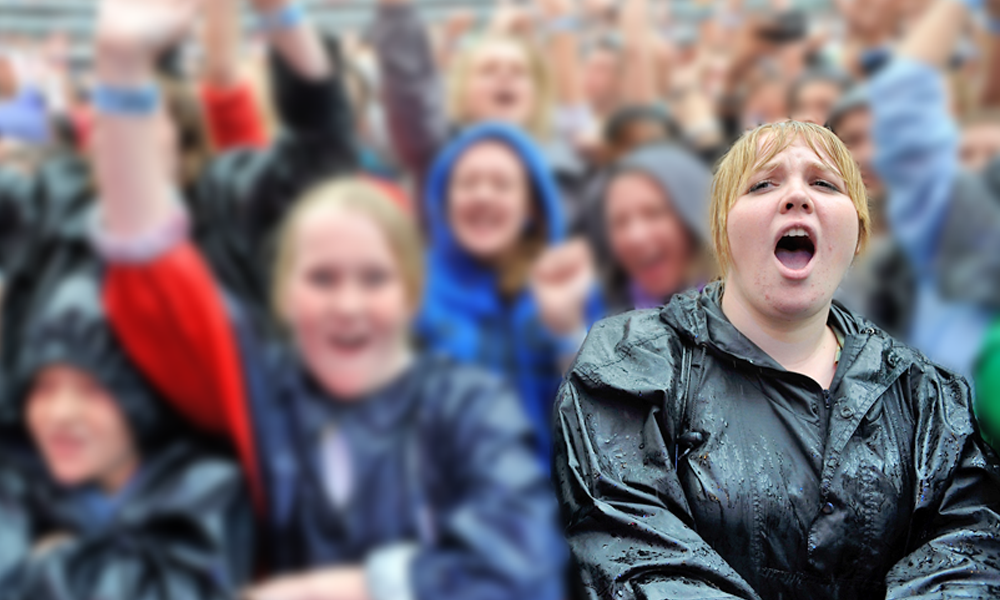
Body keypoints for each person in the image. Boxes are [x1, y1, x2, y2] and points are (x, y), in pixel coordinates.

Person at [86, 3, 568, 599]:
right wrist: (123, 65)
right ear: (283, 295)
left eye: (373, 279)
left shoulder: (469, 408)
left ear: (410, 293)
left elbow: (522, 569)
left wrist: (345, 588)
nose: (348, 303)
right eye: (321, 279)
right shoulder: (262, 390)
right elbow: (149, 267)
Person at [554, 120, 1000, 599]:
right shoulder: (630, 362)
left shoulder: (925, 393)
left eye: (824, 183)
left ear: (857, 232)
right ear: (722, 230)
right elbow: (634, 550)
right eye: (762, 184)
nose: (796, 197)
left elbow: (968, 549)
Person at [0, 269, 252, 600]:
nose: (60, 414)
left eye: (92, 389)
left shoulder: (206, 487)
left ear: (140, 400)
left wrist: (49, 560)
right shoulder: (18, 486)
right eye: (43, 388)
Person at [417, 122, 600, 466]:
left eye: (502, 185)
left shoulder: (569, 284)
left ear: (531, 206)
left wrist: (566, 332)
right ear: (444, 200)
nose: (483, 195)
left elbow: (603, 435)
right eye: (468, 183)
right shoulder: (410, 288)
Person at [594, 143, 713, 312]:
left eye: (654, 213)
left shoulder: (747, 313)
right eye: (619, 221)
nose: (635, 236)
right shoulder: (601, 315)